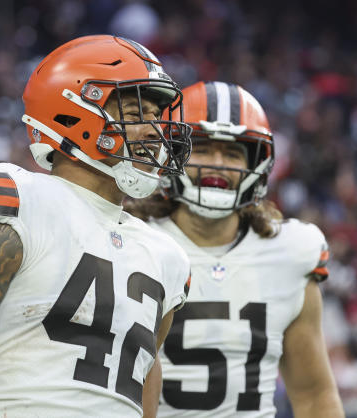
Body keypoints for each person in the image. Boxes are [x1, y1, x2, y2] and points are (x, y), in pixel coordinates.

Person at [0, 35, 193, 418]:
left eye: (154, 115)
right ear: (72, 112)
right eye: (134, 112)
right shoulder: (21, 201)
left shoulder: (167, 257)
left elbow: (142, 383)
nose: (153, 129)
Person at [129, 81, 345, 417]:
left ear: (256, 165)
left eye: (232, 153)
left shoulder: (291, 252)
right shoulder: (133, 242)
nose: (217, 163)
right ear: (171, 154)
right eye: (202, 148)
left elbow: (314, 396)